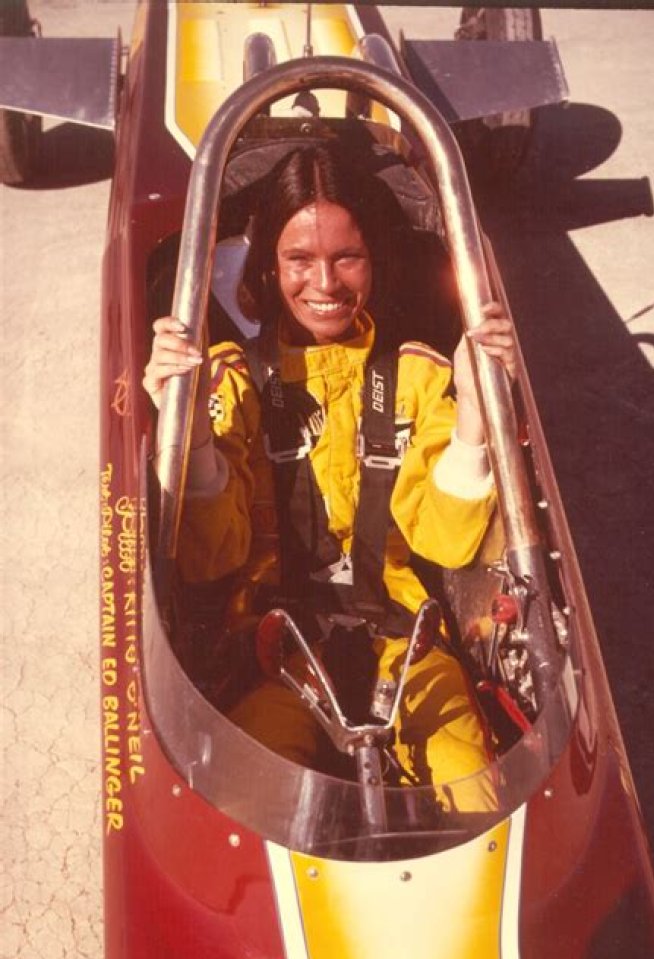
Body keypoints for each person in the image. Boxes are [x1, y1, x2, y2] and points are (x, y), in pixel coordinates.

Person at [144, 143, 515, 811]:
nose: (325, 282)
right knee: (261, 806)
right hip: (268, 647)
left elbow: (446, 541)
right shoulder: (230, 380)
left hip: (405, 640)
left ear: (375, 260)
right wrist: (189, 428)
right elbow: (209, 556)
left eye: (347, 257)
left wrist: (474, 413)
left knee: (472, 790)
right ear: (268, 264)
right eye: (299, 259)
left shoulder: (417, 375)